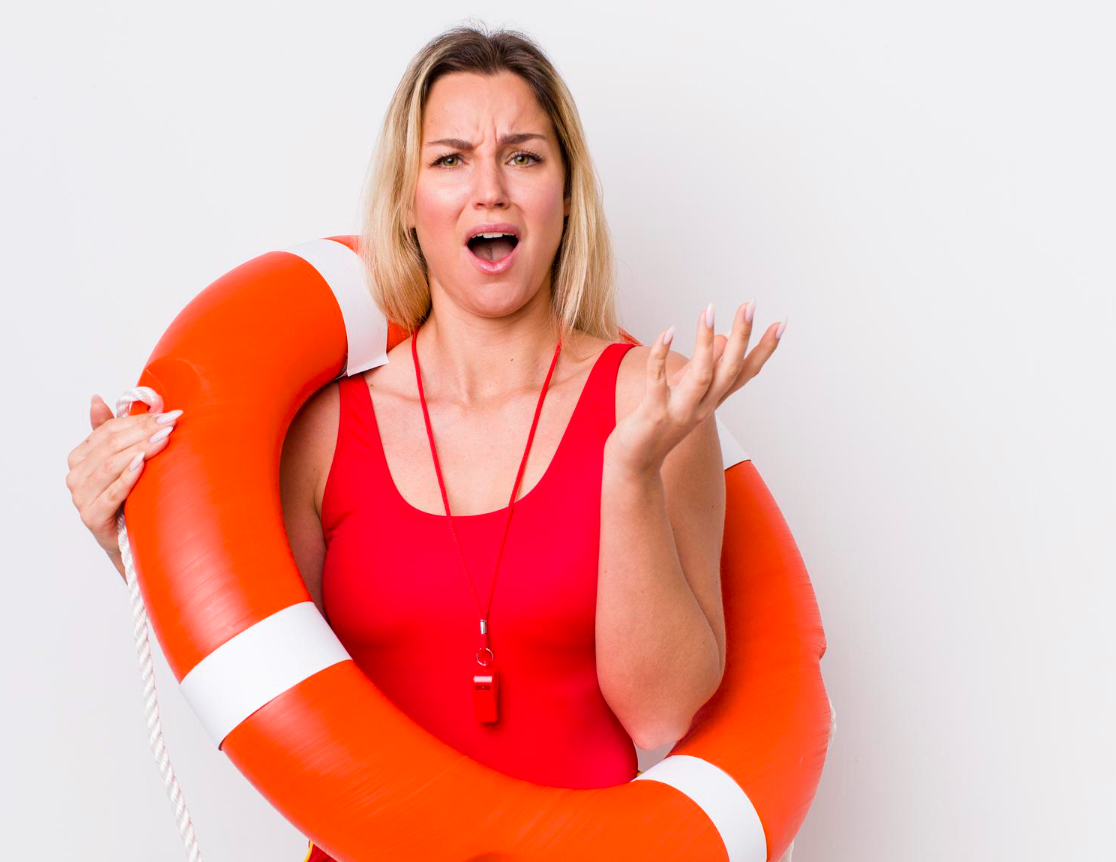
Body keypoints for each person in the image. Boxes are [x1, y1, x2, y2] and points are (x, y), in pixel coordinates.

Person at [65, 23, 784, 862]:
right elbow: (260, 667)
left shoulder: (653, 406)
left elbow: (660, 714)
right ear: (409, 205)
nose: (490, 192)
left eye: (523, 156)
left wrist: (625, 472)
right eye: (450, 160)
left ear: (565, 192)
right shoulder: (326, 431)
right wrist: (133, 537)